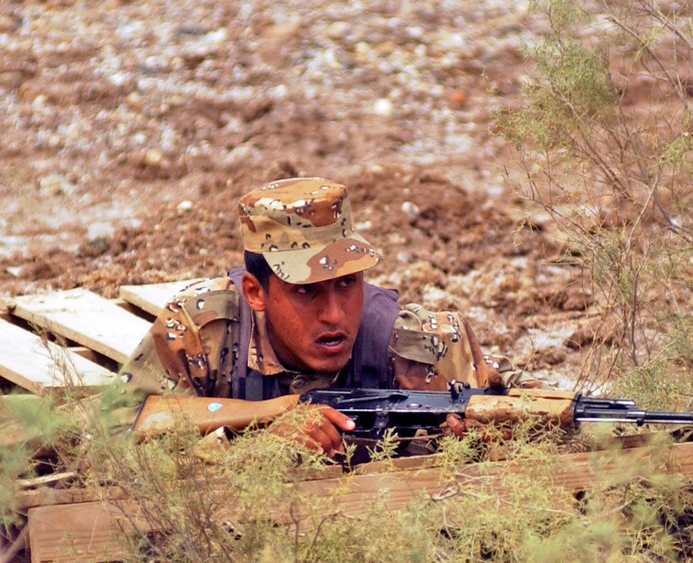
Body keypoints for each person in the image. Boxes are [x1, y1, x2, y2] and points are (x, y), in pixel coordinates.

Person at [119, 176, 533, 460]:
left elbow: (531, 403)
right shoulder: (201, 333)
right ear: (255, 292)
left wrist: (495, 440)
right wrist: (255, 445)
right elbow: (109, 440)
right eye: (305, 291)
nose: (334, 315)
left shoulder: (414, 343)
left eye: (347, 284)